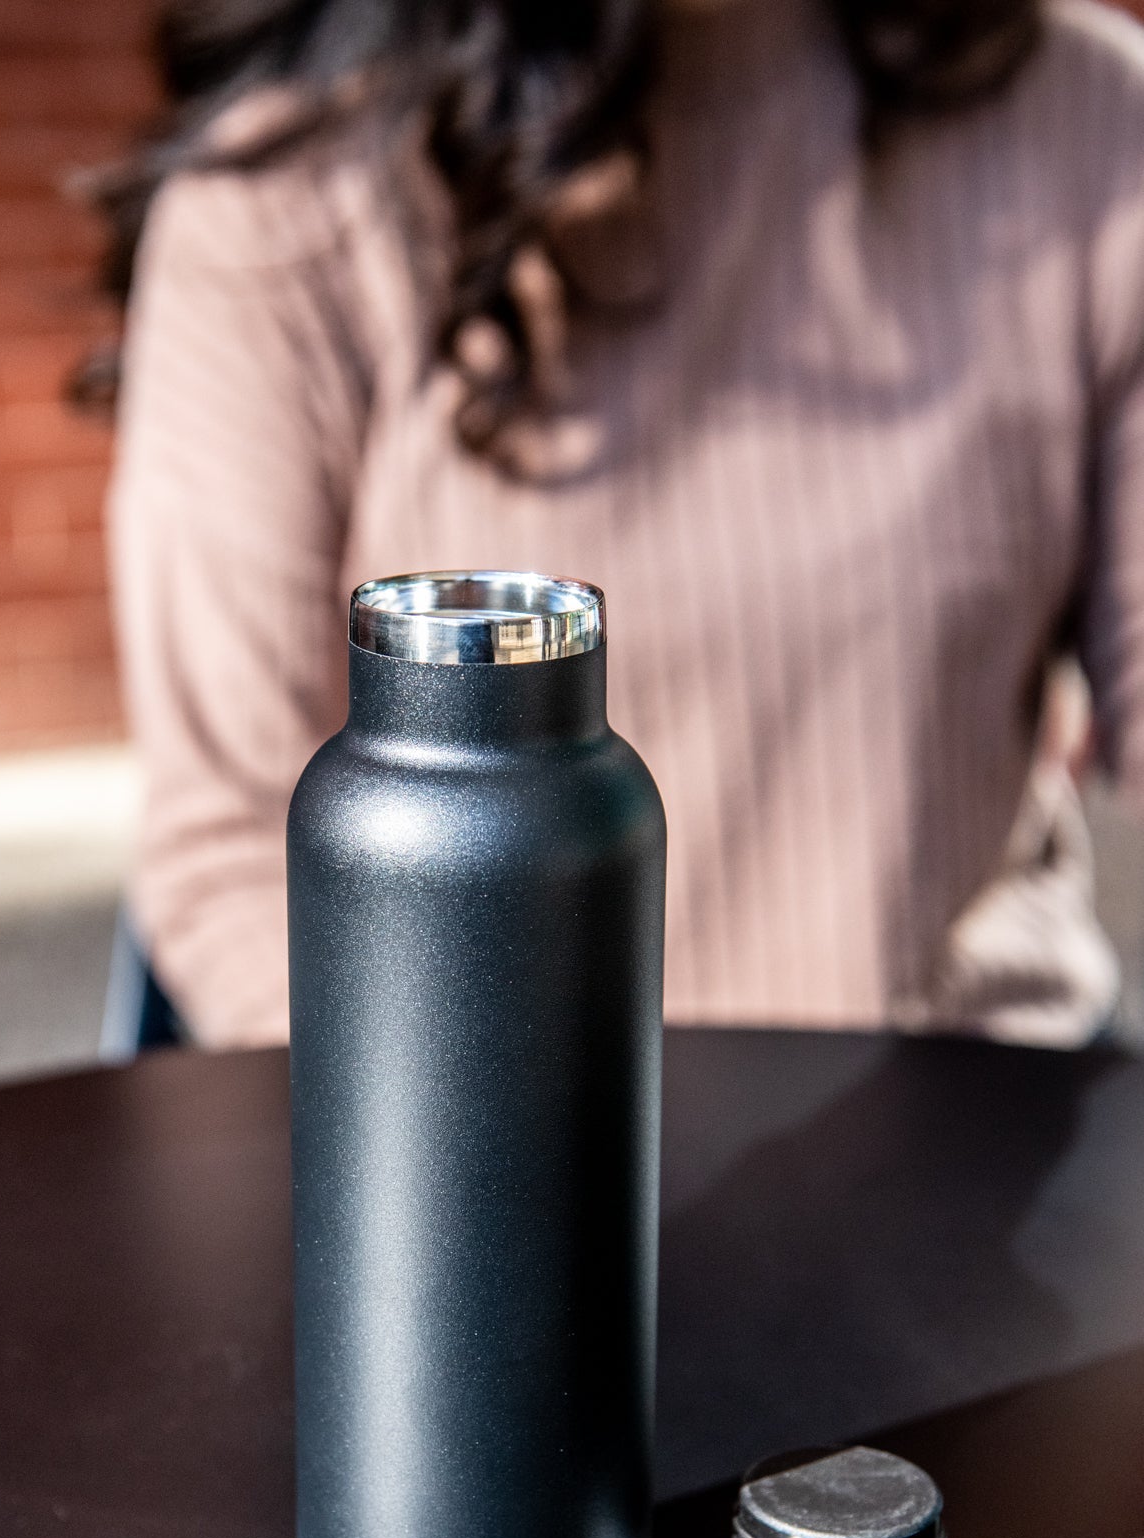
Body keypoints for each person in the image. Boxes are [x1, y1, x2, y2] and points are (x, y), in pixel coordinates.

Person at [102, 0, 1144, 1050]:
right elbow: (230, 844)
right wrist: (510, 1162)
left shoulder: (1089, 119)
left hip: (986, 1125)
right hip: (510, 1176)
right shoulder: (289, 202)